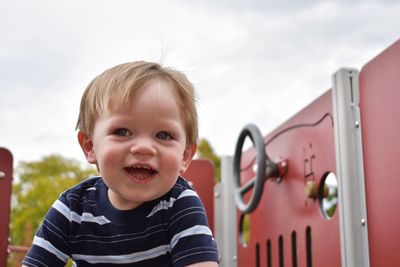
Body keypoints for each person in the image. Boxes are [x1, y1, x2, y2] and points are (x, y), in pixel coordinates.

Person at [22, 61, 219, 267]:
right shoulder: (73, 209)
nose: (144, 147)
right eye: (122, 132)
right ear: (90, 147)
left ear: (185, 156)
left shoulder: (179, 203)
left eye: (163, 135)